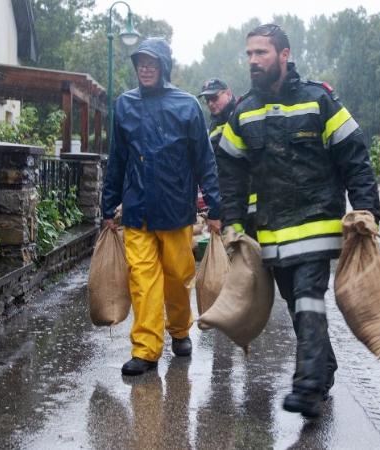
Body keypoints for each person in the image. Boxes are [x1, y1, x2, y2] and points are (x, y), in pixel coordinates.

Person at [218, 24, 380, 417]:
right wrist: (232, 222)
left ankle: (307, 387)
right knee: (297, 306)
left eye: (262, 53)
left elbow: (354, 155)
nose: (254, 61)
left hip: (315, 227)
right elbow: (230, 170)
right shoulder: (243, 113)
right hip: (272, 233)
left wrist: (367, 210)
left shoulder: (318, 101)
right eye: (250, 54)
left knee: (309, 296)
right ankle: (324, 367)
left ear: (284, 54)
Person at [101, 37, 223, 376]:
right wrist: (108, 206)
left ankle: (180, 330)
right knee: (143, 280)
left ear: (164, 66)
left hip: (175, 212)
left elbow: (204, 160)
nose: (145, 67)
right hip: (137, 212)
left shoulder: (187, 106)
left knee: (177, 278)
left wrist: (215, 207)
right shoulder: (124, 105)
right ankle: (145, 349)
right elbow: (118, 159)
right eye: (140, 62)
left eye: (152, 62)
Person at [197, 78, 257, 237]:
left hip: (252, 201)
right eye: (207, 100)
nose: (210, 103)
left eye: (214, 98)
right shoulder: (213, 126)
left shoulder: (242, 115)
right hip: (228, 202)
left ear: (228, 93)